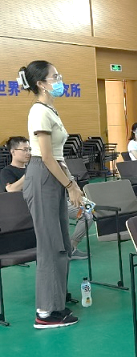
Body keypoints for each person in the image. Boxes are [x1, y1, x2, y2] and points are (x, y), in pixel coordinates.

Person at [18, 60, 82, 329]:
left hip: (54, 176)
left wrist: (73, 183)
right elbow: (45, 156)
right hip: (43, 176)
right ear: (41, 84)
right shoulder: (38, 112)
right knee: (49, 245)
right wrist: (70, 186)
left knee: (61, 242)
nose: (59, 80)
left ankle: (57, 301)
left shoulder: (49, 109)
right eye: (55, 77)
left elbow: (57, 155)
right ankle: (45, 313)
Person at [1, 136, 90, 260]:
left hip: (57, 200)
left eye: (30, 149)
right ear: (13, 152)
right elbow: (11, 189)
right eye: (24, 150)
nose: (28, 153)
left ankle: (71, 246)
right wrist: (29, 173)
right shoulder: (7, 171)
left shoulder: (36, 167)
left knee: (88, 211)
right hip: (35, 206)